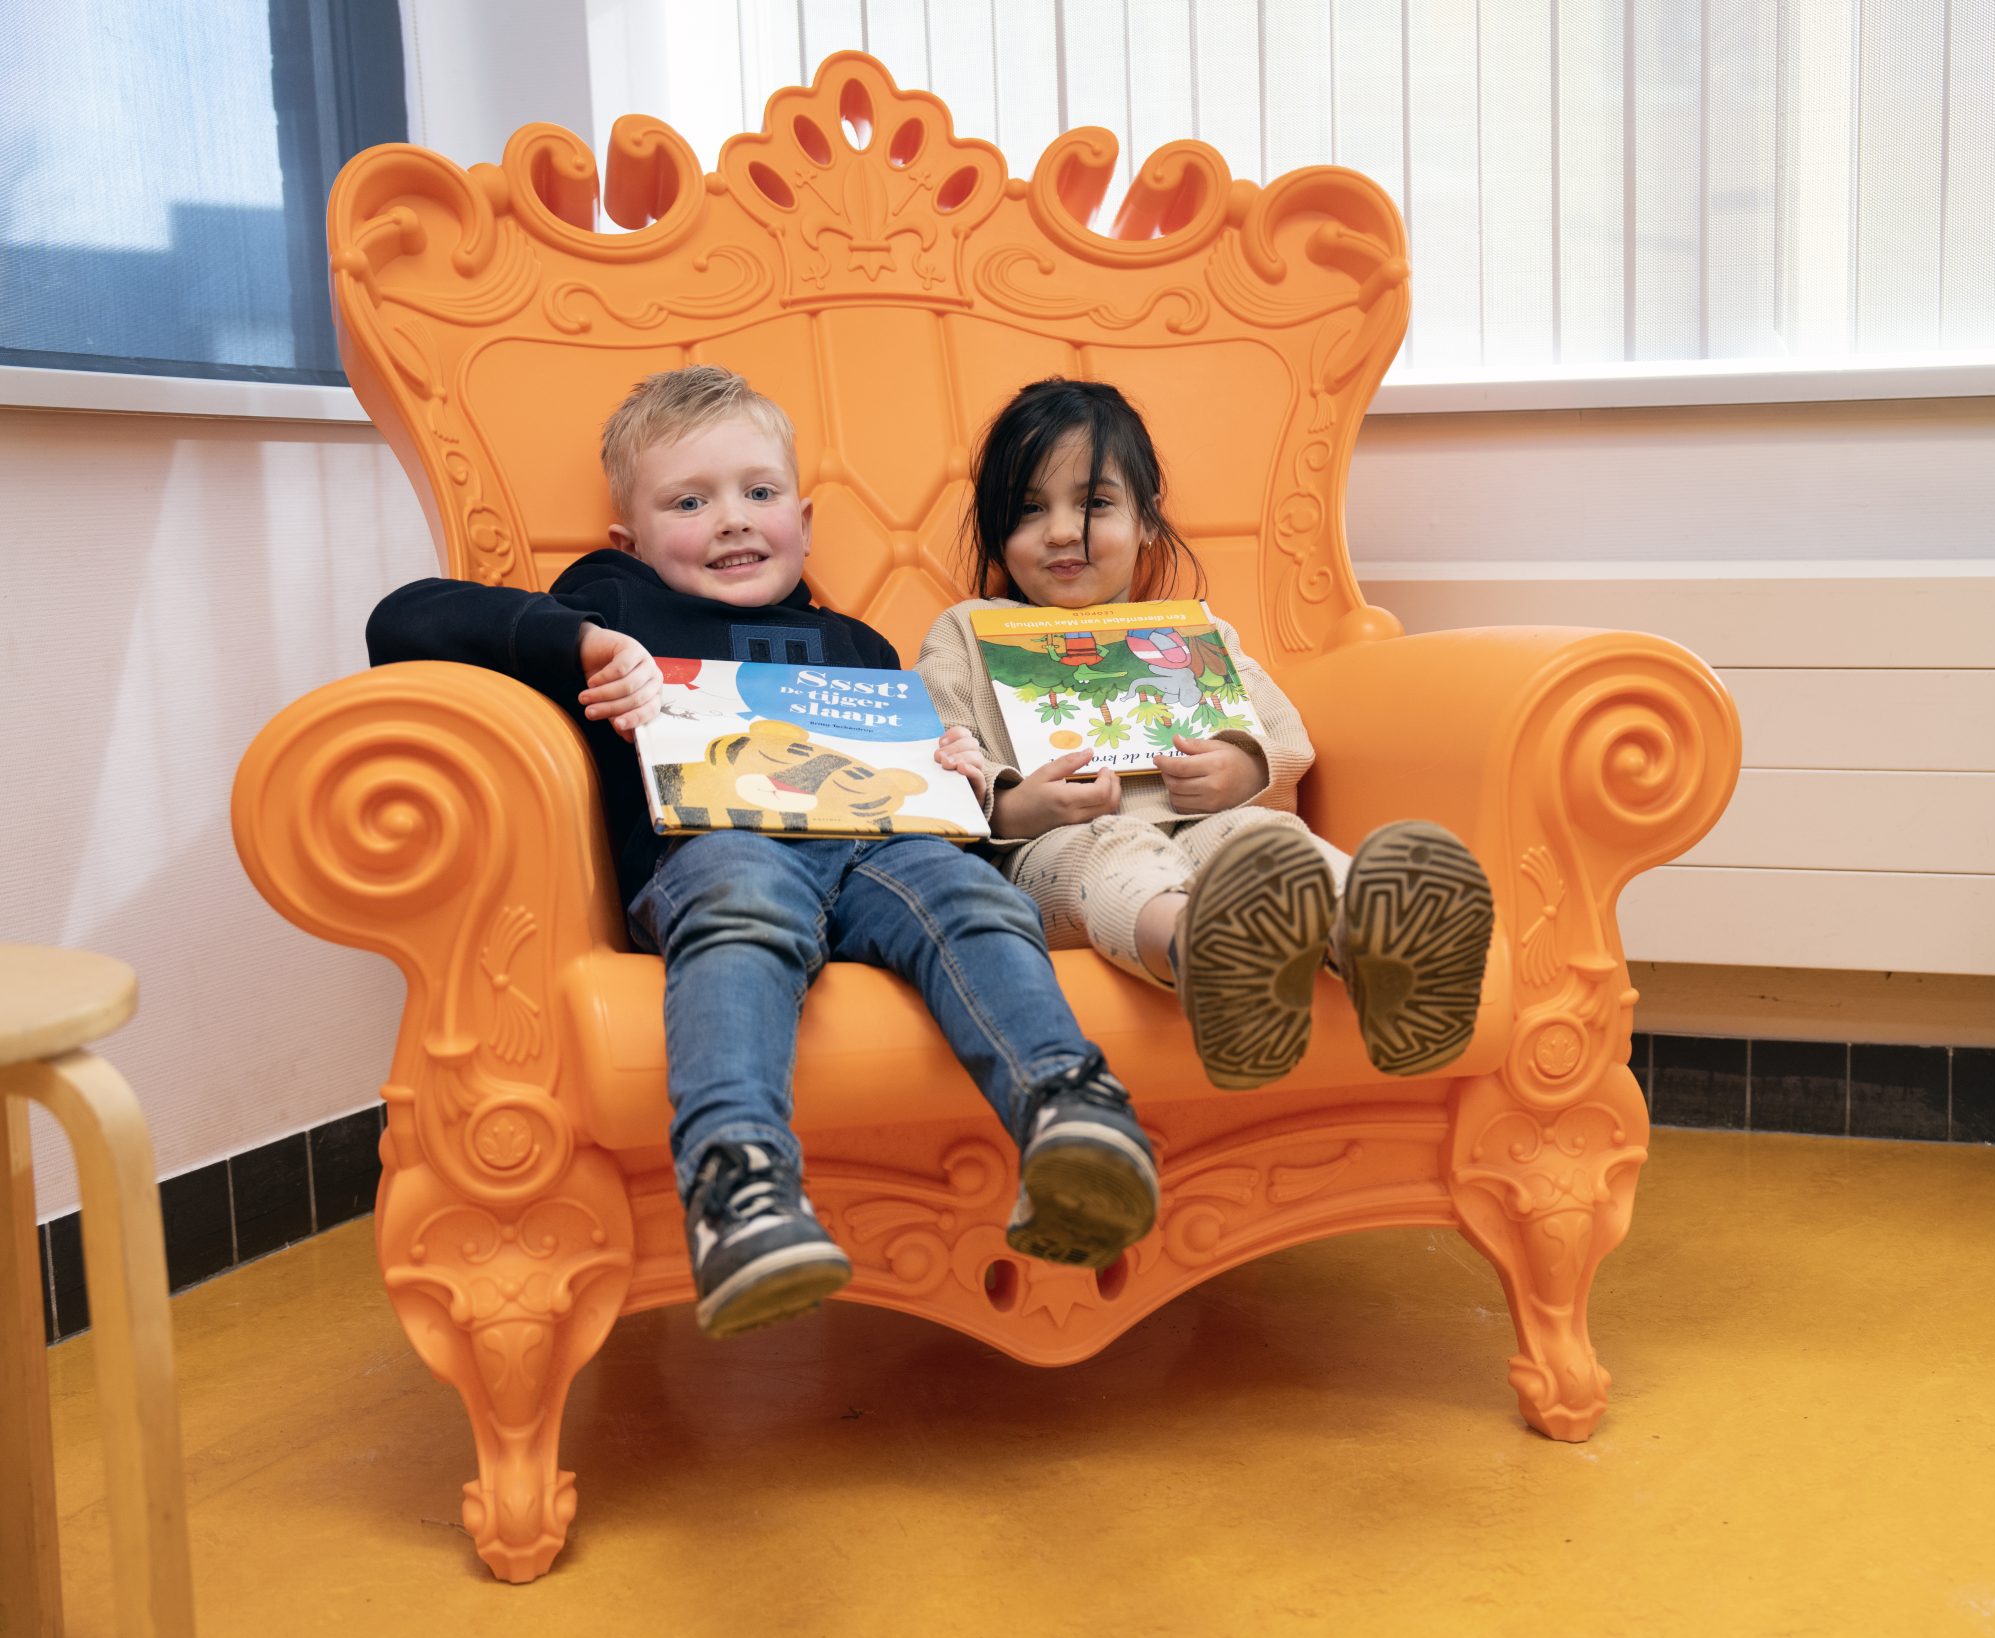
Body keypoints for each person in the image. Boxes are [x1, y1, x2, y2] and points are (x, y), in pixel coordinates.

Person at [366, 365, 1157, 1337]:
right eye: (690, 502)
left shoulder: (859, 646)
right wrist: (581, 647)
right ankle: (738, 1183)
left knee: (970, 893)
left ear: (805, 520)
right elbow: (402, 619)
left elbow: (933, 808)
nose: (733, 520)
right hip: (715, 848)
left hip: (875, 851)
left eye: (759, 493)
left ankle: (1070, 1112)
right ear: (633, 538)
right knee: (745, 894)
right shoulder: (613, 603)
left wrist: (954, 772)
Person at [918, 378, 1495, 1092]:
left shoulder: (1195, 632)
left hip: (1206, 826)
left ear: (1147, 522)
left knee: (1262, 838)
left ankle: (1390, 953)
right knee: (1110, 846)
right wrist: (1012, 808)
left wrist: (1244, 769)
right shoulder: (964, 632)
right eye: (1031, 509)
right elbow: (939, 772)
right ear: (1000, 531)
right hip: (1049, 856)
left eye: (1094, 503)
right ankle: (1209, 962)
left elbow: (1284, 734)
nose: (1063, 530)